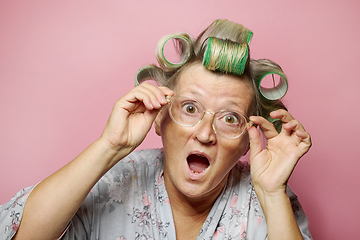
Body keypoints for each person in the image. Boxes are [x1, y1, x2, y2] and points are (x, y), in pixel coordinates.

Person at [0, 19, 312, 240]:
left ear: (247, 142)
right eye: (190, 109)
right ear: (160, 119)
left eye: (230, 118)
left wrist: (272, 194)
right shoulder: (112, 182)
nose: (205, 134)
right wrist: (110, 146)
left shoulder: (267, 197)